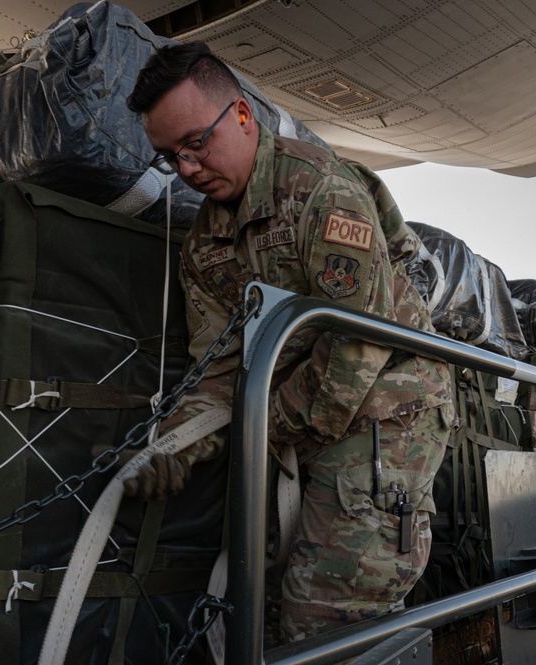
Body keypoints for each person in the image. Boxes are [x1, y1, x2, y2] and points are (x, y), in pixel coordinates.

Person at [125, 41, 454, 643]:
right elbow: (217, 367)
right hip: (296, 423)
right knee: (266, 610)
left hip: (386, 414)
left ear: (243, 116)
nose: (188, 169)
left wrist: (263, 425)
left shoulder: (323, 195)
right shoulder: (205, 248)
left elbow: (355, 354)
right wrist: (175, 444)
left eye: (196, 143)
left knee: (324, 616)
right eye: (171, 157)